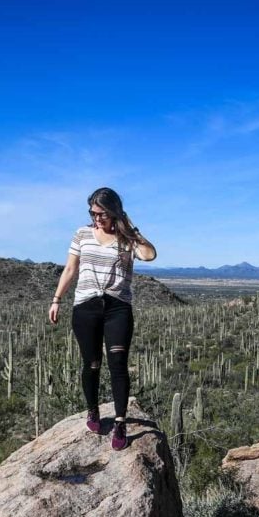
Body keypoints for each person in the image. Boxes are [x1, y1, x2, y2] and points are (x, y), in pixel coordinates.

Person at [48, 187, 157, 450]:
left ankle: (120, 423)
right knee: (92, 363)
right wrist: (56, 299)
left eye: (102, 214)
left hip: (117, 307)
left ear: (114, 213)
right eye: (93, 213)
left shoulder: (127, 238)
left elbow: (149, 255)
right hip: (86, 306)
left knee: (118, 363)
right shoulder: (82, 234)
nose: (97, 218)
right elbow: (71, 268)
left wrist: (130, 227)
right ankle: (93, 410)